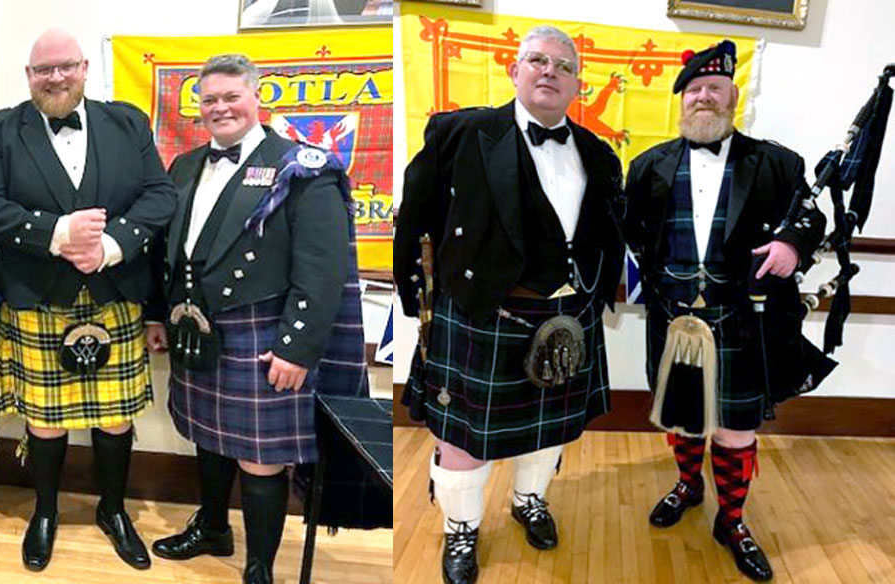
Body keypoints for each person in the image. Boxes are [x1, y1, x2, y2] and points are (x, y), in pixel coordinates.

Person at [394, 25, 625, 584]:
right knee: (463, 439)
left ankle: (528, 499)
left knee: (553, 430)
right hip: (482, 313)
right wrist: (412, 298)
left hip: (568, 316)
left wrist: (600, 295)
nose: (549, 71)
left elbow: (608, 230)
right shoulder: (461, 133)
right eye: (537, 61)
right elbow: (415, 215)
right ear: (514, 71)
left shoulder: (597, 151)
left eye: (563, 66)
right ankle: (462, 529)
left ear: (578, 86)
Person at [146, 54, 368, 584]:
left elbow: (322, 268)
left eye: (231, 96)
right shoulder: (184, 165)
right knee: (207, 436)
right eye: (210, 99)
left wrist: (298, 346)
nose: (220, 108)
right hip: (197, 329)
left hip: (262, 332)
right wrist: (158, 314)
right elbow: (167, 251)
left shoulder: (303, 166)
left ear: (256, 97)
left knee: (261, 457)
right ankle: (214, 528)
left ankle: (259, 566)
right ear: (198, 106)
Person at [0, 28, 176, 572]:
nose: (54, 77)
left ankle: (112, 509)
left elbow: (160, 196)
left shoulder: (128, 122)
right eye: (42, 70)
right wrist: (57, 233)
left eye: (65, 66)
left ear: (85, 68)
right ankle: (45, 511)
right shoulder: (0, 130)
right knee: (45, 420)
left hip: (114, 291)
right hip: (39, 295)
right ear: (28, 77)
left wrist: (110, 244)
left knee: (115, 418)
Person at [623, 40, 827, 583]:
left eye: (714, 88)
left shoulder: (777, 163)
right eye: (693, 90)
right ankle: (689, 486)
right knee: (682, 419)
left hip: (742, 322)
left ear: (733, 96)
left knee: (736, 428)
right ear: (681, 101)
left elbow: (810, 219)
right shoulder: (648, 166)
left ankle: (731, 520)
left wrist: (791, 245)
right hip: (674, 320)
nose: (703, 98)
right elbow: (629, 235)